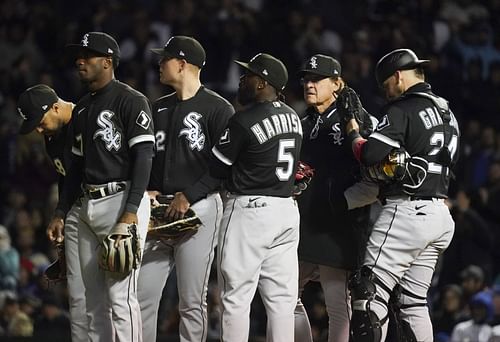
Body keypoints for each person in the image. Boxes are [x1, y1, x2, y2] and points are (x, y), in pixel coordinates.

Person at [344, 48, 460, 341]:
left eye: (386, 85)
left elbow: (370, 154)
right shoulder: (448, 112)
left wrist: (354, 134)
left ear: (397, 76)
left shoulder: (404, 108)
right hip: (440, 214)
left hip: (407, 214)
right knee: (413, 301)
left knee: (368, 292)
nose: (387, 93)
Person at [56, 31, 155, 342]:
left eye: (88, 56)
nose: (80, 61)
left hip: (122, 199)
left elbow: (143, 157)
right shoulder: (83, 107)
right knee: (90, 300)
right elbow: (74, 170)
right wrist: (60, 211)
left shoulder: (131, 99)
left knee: (120, 298)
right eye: (78, 56)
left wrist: (129, 213)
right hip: (88, 203)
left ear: (108, 62)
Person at [138, 36, 234, 342]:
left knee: (192, 301)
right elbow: (147, 158)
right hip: (160, 209)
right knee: (142, 296)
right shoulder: (157, 107)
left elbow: (226, 167)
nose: (159, 64)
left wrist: (190, 194)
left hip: (200, 207)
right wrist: (147, 189)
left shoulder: (218, 109)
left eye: (164, 59)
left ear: (182, 64)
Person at [210, 53, 302, 342]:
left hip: (249, 211)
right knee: (282, 303)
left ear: (262, 83)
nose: (242, 79)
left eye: (249, 75)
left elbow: (215, 168)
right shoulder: (293, 117)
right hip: (285, 210)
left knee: (236, 298)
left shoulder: (244, 119)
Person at [293, 54, 378, 342]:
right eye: (306, 79)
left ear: (338, 83)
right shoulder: (305, 122)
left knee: (337, 305)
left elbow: (374, 172)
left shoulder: (354, 119)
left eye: (317, 79)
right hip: (305, 222)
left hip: (338, 226)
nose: (309, 84)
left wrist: (343, 201)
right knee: (284, 296)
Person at [16, 84, 88, 342]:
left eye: (39, 120)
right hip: (80, 210)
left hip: (109, 205)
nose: (38, 129)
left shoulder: (88, 118)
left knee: (113, 298)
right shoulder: (52, 134)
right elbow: (65, 177)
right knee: (78, 298)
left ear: (55, 107)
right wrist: (60, 213)